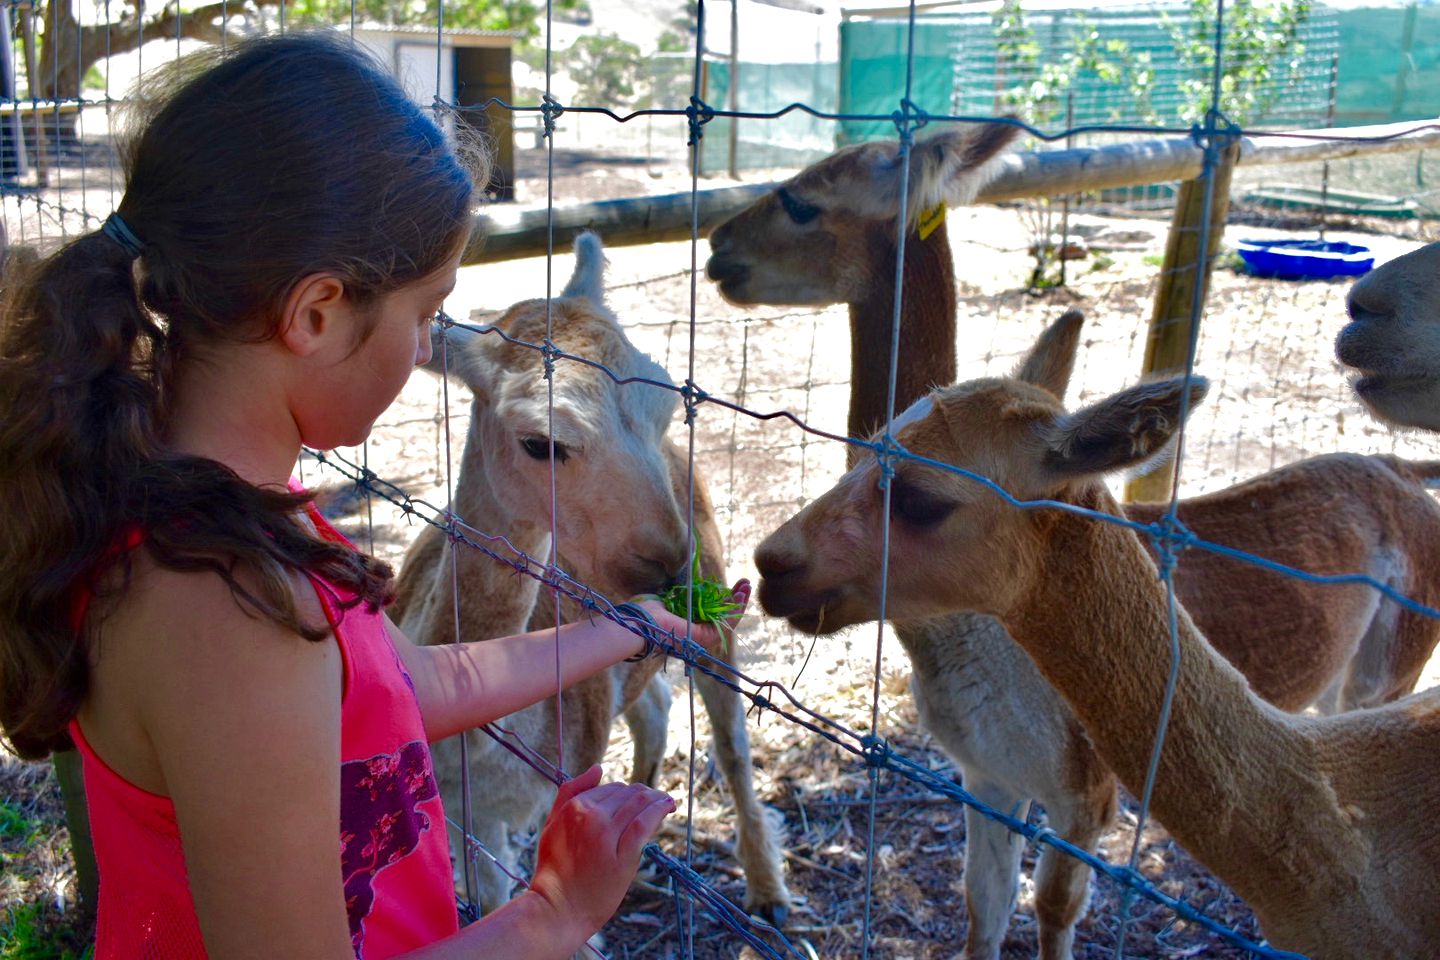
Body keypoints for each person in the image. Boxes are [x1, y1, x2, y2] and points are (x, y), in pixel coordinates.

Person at [0, 33, 744, 960]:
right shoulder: (229, 613)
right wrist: (553, 913)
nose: (427, 348)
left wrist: (645, 625)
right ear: (314, 314)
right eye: (424, 316)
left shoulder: (221, 513)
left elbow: (417, 681)